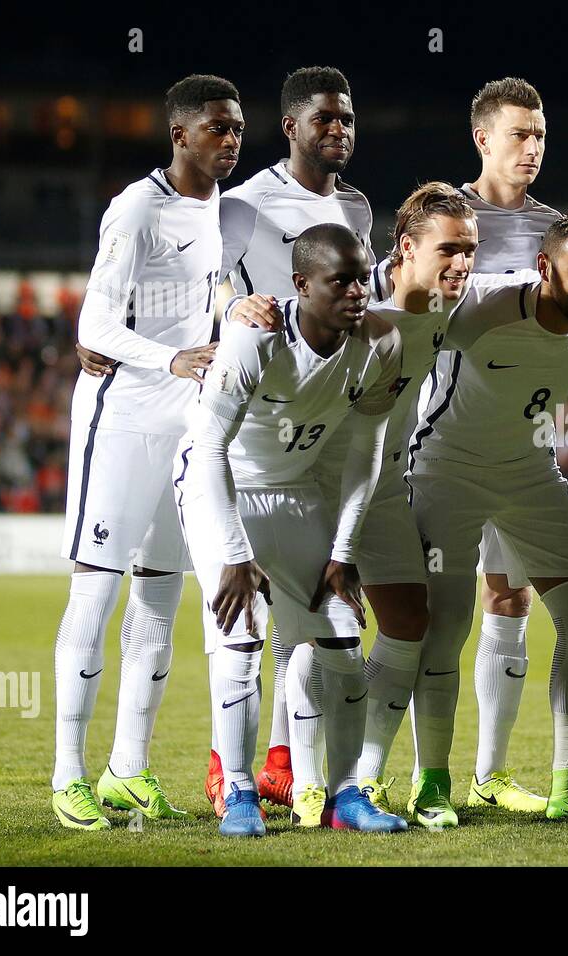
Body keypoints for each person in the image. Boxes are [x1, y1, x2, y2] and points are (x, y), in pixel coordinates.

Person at [404, 213, 568, 826]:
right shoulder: (478, 307)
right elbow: (395, 316)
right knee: (445, 626)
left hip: (528, 469)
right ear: (544, 267)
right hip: (446, 467)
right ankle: (432, 786)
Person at [50, 74, 240, 831]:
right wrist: (170, 360)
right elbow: (95, 325)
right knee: (95, 592)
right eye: (217, 128)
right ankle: (69, 774)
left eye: (237, 129)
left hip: (185, 425)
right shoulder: (137, 206)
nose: (230, 140)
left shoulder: (225, 207)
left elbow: (207, 298)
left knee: (160, 595)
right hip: (121, 418)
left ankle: (129, 768)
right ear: (181, 133)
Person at [176, 223, 406, 836]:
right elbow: (207, 450)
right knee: (241, 638)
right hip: (219, 490)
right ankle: (241, 791)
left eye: (363, 278)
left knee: (342, 643)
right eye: (341, 281)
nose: (358, 291)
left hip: (298, 492)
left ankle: (345, 796)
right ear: (301, 285)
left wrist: (343, 551)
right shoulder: (254, 338)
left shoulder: (382, 343)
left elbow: (366, 454)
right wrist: (233, 552)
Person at [201, 64, 373, 817]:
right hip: (248, 405)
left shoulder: (359, 209)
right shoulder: (243, 201)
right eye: (324, 120)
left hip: (318, 418)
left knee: (311, 618)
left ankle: (291, 767)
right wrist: (232, 307)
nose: (337, 131)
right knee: (242, 616)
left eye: (347, 119)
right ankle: (228, 773)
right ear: (293, 127)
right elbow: (204, 278)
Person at [455, 77, 560, 811]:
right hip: (436, 439)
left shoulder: (557, 231)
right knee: (413, 607)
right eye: (519, 134)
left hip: (522, 441)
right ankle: (363, 776)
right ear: (483, 138)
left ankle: (489, 775)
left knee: (509, 593)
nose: (532, 148)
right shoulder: (442, 215)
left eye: (541, 136)